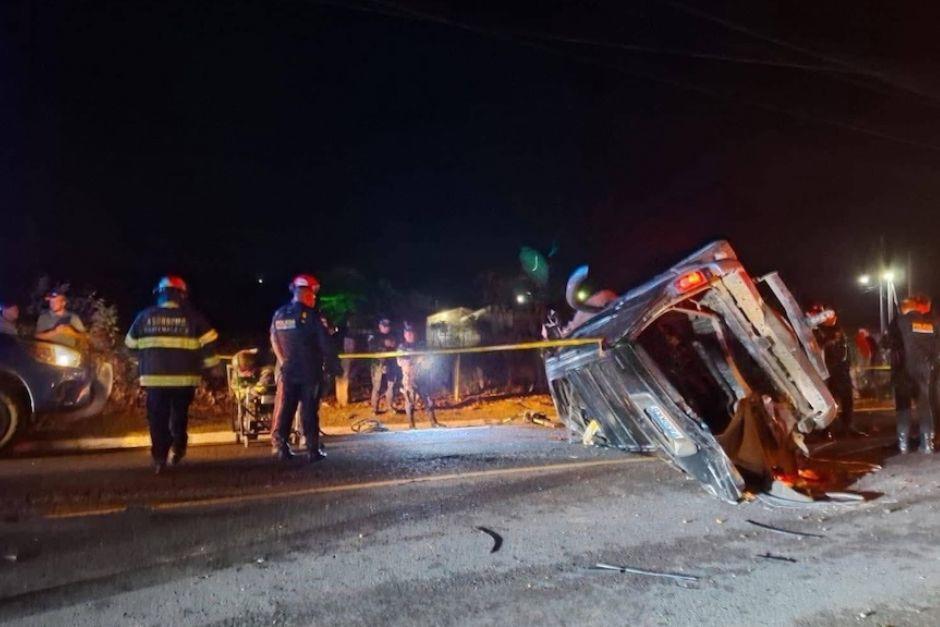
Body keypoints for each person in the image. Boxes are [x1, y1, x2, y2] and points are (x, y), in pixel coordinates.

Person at [125, 276, 220, 473]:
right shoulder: (193, 317)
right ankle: (178, 446)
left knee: (157, 418)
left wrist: (144, 361)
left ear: (159, 294)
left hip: (154, 379)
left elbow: (130, 345)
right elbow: (209, 345)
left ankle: (159, 458)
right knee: (179, 415)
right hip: (184, 379)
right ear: (182, 295)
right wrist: (213, 370)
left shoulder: (144, 316)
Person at [269, 274, 341, 462]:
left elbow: (274, 339)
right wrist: (334, 366)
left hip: (288, 370)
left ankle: (281, 447)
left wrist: (284, 361)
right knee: (309, 410)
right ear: (305, 293)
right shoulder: (311, 316)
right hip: (309, 371)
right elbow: (325, 344)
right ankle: (312, 449)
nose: (315, 298)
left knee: (287, 408)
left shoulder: (279, 314)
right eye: (313, 294)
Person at [888, 295, 939, 454]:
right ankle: (927, 444)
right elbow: (936, 350)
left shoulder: (900, 322)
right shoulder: (930, 324)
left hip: (902, 371)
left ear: (904, 309)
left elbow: (886, 342)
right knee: (924, 406)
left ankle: (903, 445)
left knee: (903, 407)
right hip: (923, 371)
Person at [808, 304, 855, 435]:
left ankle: (847, 426)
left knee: (847, 400)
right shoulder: (819, 331)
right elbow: (819, 347)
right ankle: (826, 430)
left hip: (843, 370)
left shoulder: (838, 330)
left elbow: (845, 350)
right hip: (830, 373)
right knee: (830, 401)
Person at [397, 322, 443, 429]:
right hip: (409, 378)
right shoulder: (402, 347)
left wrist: (424, 361)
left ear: (415, 334)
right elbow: (401, 362)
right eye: (407, 333)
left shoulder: (422, 345)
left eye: (411, 333)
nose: (410, 335)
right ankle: (411, 426)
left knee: (428, 401)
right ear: (404, 334)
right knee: (410, 402)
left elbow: (430, 360)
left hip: (422, 377)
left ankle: (434, 423)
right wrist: (418, 359)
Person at [368, 317, 399, 416]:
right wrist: (383, 343)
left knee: (391, 386)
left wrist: (393, 344)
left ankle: (390, 407)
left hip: (391, 363)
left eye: (388, 326)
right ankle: (374, 409)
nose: (386, 328)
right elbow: (370, 347)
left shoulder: (394, 335)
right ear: (380, 326)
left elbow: (398, 345)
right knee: (377, 387)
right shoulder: (374, 335)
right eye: (384, 326)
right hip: (378, 364)